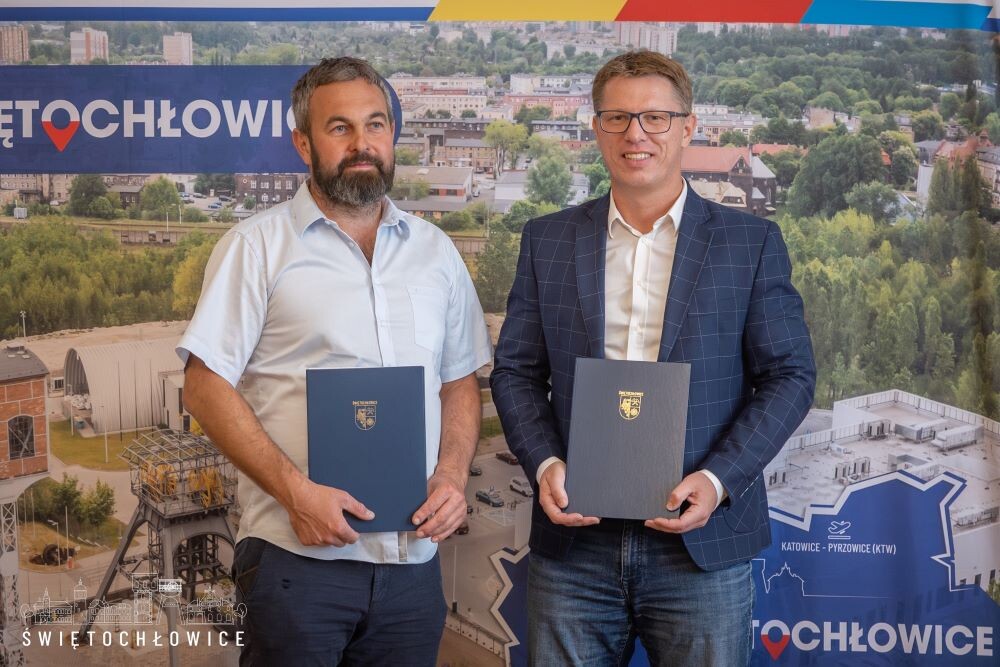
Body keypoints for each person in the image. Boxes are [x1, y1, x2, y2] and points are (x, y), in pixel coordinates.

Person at [490, 50, 816, 666]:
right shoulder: (547, 239)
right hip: (576, 542)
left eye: (655, 118)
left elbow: (790, 376)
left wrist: (717, 481)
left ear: (688, 128)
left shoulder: (749, 243)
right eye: (617, 117)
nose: (635, 133)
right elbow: (516, 372)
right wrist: (545, 462)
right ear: (597, 129)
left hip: (701, 541)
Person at [179, 57, 491, 665]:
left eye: (375, 125)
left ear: (392, 135)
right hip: (297, 564)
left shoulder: (436, 252)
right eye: (339, 128)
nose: (361, 144)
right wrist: (296, 494)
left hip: (412, 566)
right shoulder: (256, 248)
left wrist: (452, 476)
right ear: (304, 143)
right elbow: (204, 386)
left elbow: (458, 381)